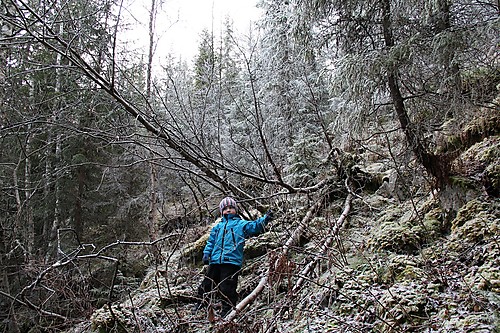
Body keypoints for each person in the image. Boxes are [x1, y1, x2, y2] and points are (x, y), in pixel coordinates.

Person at [192, 196, 273, 318]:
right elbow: (211, 242)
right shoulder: (217, 227)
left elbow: (254, 226)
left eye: (231, 208)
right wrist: (206, 254)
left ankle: (228, 309)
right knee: (207, 283)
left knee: (227, 287)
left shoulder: (240, 224)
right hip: (215, 261)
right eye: (225, 208)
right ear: (221, 211)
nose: (228, 210)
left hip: (231, 262)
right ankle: (200, 303)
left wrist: (265, 219)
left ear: (236, 209)